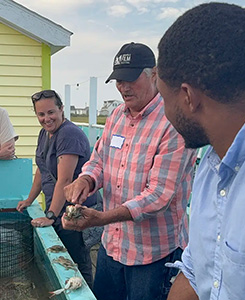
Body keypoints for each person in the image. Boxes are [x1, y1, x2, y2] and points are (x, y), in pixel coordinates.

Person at [156, 3, 245, 300]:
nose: (163, 112)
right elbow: (197, 271)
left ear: (187, 97)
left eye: (163, 97)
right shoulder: (213, 162)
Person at [62, 42, 197, 300]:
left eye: (131, 79)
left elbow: (158, 196)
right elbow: (99, 160)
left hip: (153, 254)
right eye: (118, 80)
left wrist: (101, 218)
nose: (123, 87)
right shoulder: (116, 116)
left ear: (154, 74)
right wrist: (86, 180)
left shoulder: (173, 122)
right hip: (112, 246)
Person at [16, 90, 97, 286]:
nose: (46, 119)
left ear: (62, 109)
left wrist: (51, 216)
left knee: (77, 262)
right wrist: (29, 199)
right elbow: (42, 170)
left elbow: (65, 179)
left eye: (51, 112)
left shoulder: (68, 134)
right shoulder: (45, 133)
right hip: (57, 208)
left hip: (74, 210)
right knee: (64, 261)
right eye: (41, 114)